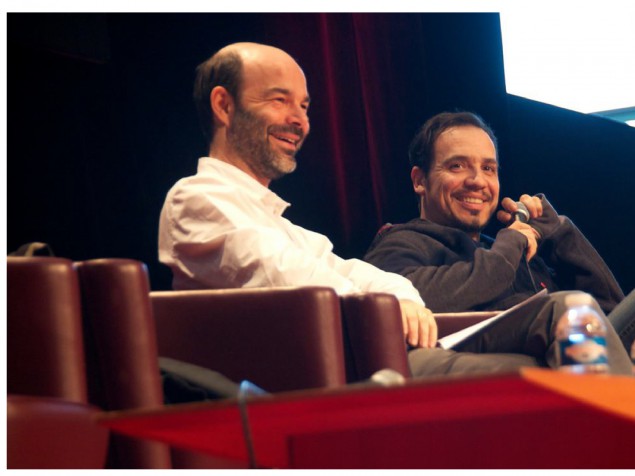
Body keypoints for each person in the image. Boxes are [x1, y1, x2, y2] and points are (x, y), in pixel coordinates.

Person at [158, 42, 437, 352]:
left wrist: (404, 298)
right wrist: (388, 310)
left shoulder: (281, 228)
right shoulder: (196, 199)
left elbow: (354, 272)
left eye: (304, 106)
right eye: (280, 100)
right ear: (224, 105)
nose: (299, 120)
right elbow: (295, 283)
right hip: (282, 392)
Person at [364, 111, 634, 374]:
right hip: (473, 375)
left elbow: (608, 319)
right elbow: (404, 303)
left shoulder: (510, 249)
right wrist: (510, 245)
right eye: (457, 165)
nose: (477, 181)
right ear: (420, 181)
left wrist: (561, 234)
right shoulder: (401, 242)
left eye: (488, 168)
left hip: (584, 371)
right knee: (570, 309)